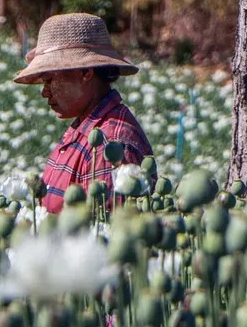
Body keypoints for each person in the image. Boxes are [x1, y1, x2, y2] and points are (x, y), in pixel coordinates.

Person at [13, 13, 153, 213]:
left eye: (49, 80)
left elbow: (106, 234)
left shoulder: (111, 146)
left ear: (86, 72)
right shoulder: (85, 128)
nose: (44, 92)